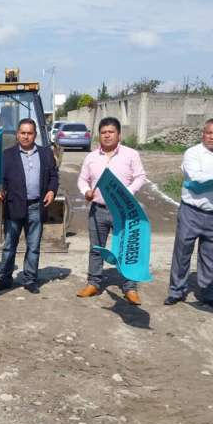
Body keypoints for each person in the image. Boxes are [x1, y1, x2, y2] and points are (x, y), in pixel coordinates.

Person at [164, 118, 213, 308]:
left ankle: (207, 292)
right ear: (203, 134)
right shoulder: (193, 153)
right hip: (191, 211)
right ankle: (176, 291)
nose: (211, 137)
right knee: (182, 253)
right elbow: (197, 178)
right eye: (208, 133)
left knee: (210, 256)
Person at [75, 117, 148, 304]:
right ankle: (93, 283)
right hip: (98, 210)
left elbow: (140, 177)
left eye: (111, 132)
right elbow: (82, 179)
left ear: (119, 135)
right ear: (99, 135)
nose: (107, 135)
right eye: (103, 132)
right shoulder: (91, 157)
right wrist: (86, 191)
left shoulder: (131, 154)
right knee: (96, 248)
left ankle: (130, 287)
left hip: (123, 211)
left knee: (126, 249)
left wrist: (127, 193)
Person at [0, 118, 59, 294]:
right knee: (9, 246)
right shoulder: (7, 155)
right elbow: (0, 179)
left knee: (33, 246)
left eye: (29, 133)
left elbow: (53, 175)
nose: (26, 136)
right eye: (23, 133)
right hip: (14, 206)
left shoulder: (46, 153)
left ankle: (30, 279)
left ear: (35, 135)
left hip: (37, 206)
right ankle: (5, 279)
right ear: (17, 134)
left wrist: (52, 191)